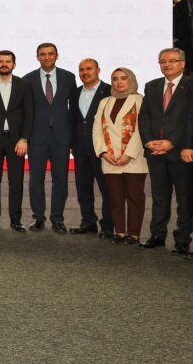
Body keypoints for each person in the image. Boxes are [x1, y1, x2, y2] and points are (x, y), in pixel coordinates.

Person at [137, 47, 192, 253]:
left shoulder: (190, 86)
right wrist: (149, 141)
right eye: (163, 61)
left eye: (172, 61)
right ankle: (157, 235)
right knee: (159, 197)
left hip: (181, 152)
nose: (167, 65)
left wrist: (173, 142)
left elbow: (190, 119)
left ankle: (182, 240)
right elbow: (144, 117)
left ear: (182, 64)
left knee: (185, 198)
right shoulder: (152, 86)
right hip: (155, 152)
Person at [23, 42, 76, 232]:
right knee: (35, 180)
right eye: (43, 54)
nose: (47, 57)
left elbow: (74, 108)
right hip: (37, 137)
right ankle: (38, 218)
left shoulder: (68, 77)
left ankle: (57, 219)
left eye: (50, 54)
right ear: (37, 57)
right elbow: (25, 110)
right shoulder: (27, 79)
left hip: (61, 137)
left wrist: (73, 138)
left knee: (60, 180)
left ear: (57, 56)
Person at [0, 50, 33, 232]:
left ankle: (15, 219)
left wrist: (24, 139)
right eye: (0, 61)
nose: (4, 64)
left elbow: (29, 113)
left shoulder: (24, 85)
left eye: (8, 61)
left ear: (14, 65)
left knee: (16, 181)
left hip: (17, 141)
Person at [93, 68, 147, 245]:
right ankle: (120, 232)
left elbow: (141, 130)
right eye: (115, 79)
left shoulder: (140, 100)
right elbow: (96, 129)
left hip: (134, 158)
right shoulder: (105, 102)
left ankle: (134, 234)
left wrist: (128, 155)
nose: (119, 82)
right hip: (110, 158)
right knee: (115, 198)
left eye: (123, 78)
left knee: (134, 197)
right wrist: (103, 152)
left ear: (131, 80)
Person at [68, 58, 113, 237]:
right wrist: (71, 144)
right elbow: (73, 119)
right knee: (83, 187)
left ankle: (108, 226)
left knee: (107, 189)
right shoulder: (75, 92)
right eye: (81, 70)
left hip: (103, 149)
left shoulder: (110, 91)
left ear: (98, 70)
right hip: (80, 148)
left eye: (89, 69)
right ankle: (88, 222)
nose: (85, 73)